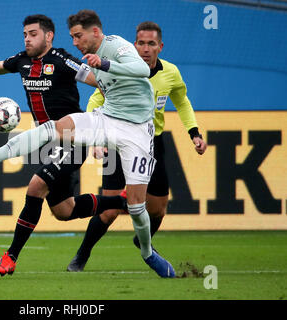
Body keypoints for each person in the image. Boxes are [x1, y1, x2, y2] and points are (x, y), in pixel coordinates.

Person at [0, 10, 177, 278]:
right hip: (108, 118)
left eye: (78, 36)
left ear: (94, 32)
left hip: (137, 132)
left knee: (136, 206)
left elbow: (143, 70)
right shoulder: (64, 60)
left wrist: (105, 65)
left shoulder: (116, 47)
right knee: (54, 132)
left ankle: (147, 253)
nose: (74, 41)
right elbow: (99, 85)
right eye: (72, 36)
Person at [0, 14, 129, 276]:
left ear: (48, 36)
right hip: (47, 142)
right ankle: (125, 202)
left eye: (33, 34)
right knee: (64, 210)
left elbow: (98, 81)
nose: (27, 38)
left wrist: (105, 121)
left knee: (36, 186)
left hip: (73, 139)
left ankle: (10, 257)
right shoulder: (21, 61)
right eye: (25, 34)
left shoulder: (62, 60)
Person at [67, 21, 207, 272]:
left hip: (152, 142)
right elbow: (96, 97)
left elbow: (182, 102)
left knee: (158, 208)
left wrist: (194, 132)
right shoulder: (119, 68)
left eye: (151, 44)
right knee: (108, 211)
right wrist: (97, 140)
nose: (145, 48)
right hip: (118, 140)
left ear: (160, 47)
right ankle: (80, 257)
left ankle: (143, 241)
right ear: (134, 45)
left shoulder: (171, 73)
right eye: (140, 43)